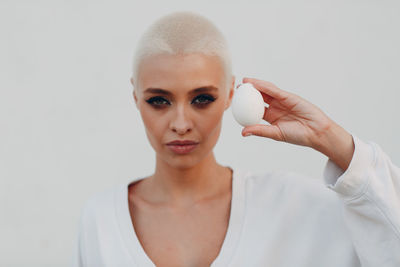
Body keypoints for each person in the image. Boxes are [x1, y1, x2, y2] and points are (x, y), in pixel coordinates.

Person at [71, 11, 400, 267]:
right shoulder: (101, 218)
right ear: (135, 96)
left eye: (202, 98)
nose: (181, 123)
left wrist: (330, 138)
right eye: (159, 100)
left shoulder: (298, 206)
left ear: (230, 93)